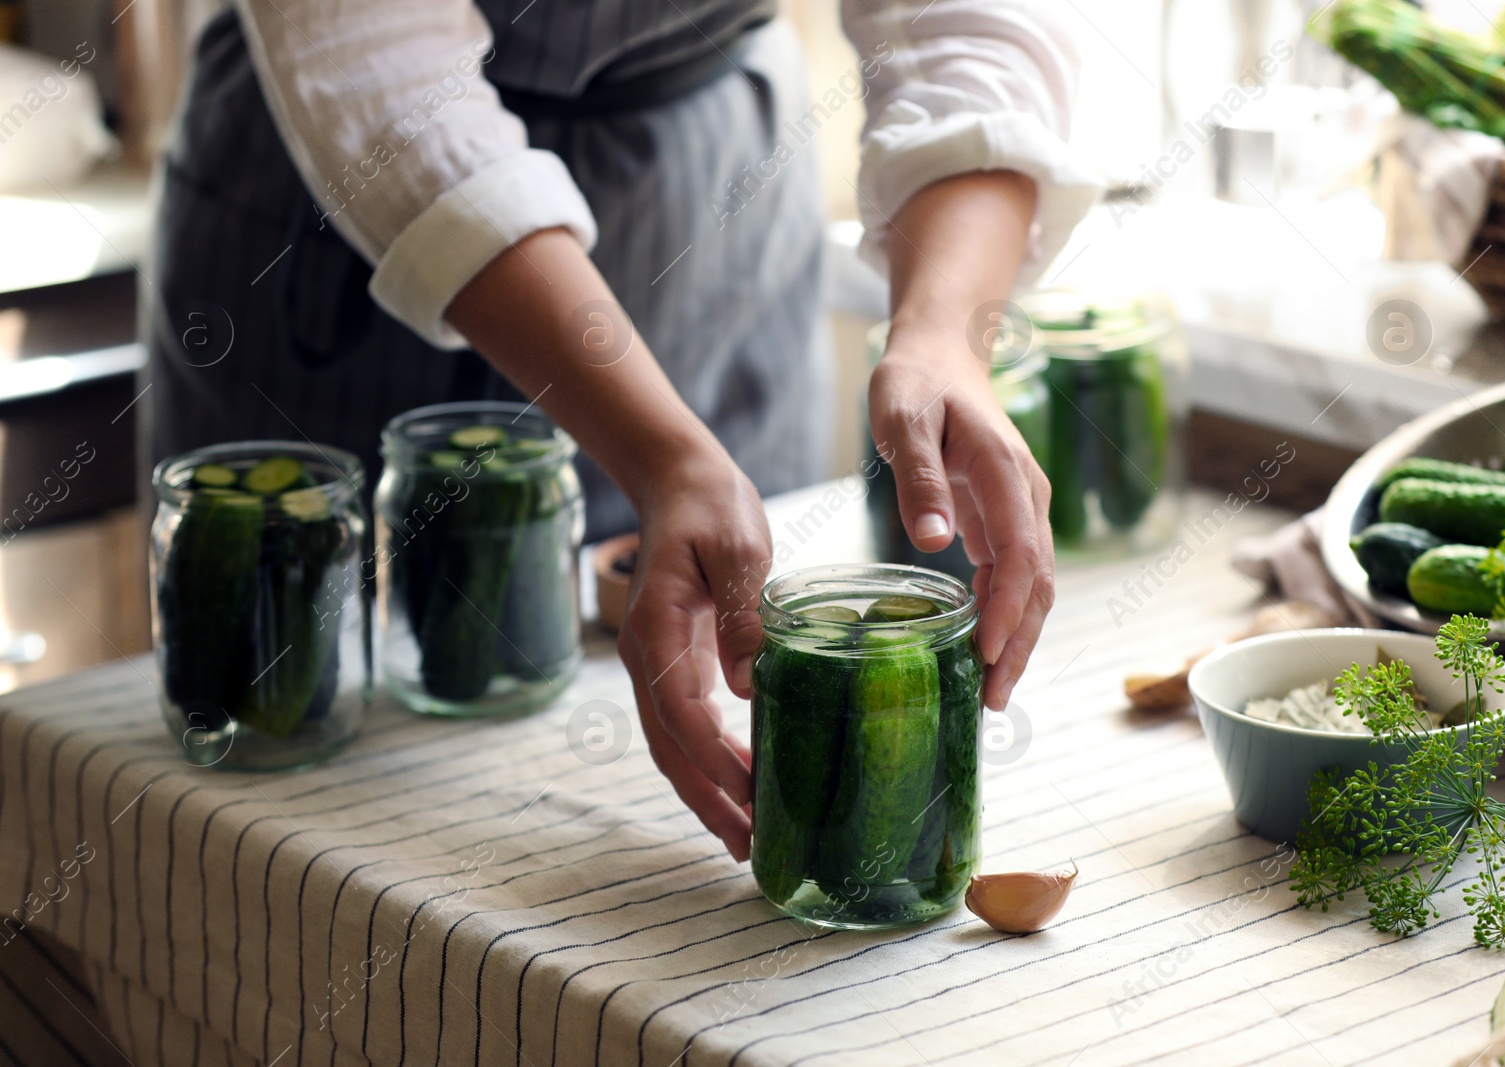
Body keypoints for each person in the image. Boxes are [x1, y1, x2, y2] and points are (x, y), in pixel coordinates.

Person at [141, 0, 1098, 858]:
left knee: (701, 644)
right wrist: (665, 452)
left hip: (703, 189)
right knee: (280, 759)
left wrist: (943, 333)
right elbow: (364, 40)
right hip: (346, 184)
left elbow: (974, 18)